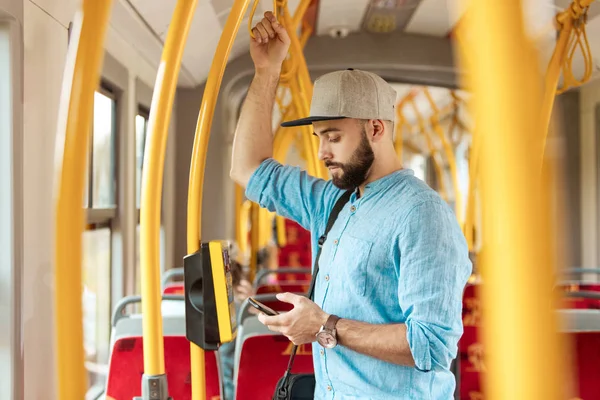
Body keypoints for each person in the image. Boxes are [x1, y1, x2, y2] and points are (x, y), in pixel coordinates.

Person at [229, 11, 472, 400]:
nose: (322, 152)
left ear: (376, 128)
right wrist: (266, 71)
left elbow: (432, 346)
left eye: (334, 137)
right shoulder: (333, 200)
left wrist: (325, 325)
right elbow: (247, 168)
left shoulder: (423, 214)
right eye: (319, 137)